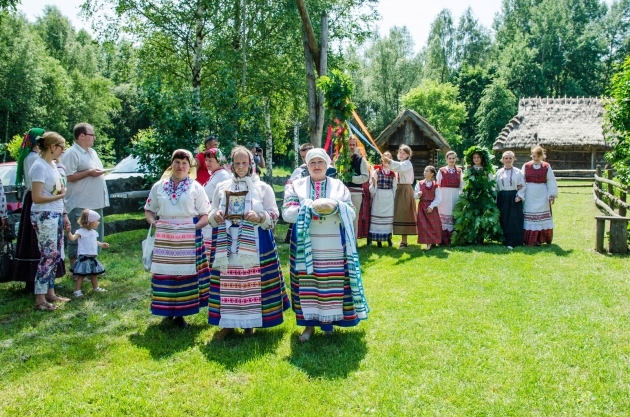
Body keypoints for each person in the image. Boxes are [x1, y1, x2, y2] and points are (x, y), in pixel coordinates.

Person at [282, 148, 369, 342]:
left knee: (332, 279)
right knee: (308, 281)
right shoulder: (296, 186)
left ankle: (329, 322)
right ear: (307, 165)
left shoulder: (339, 186)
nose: (316, 166)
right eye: (312, 162)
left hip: (332, 242)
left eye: (320, 162)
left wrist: (336, 207)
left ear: (328, 164)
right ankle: (309, 326)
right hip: (306, 241)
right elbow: (287, 213)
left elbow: (352, 211)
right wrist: (308, 208)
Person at [207, 146, 290, 339]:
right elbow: (210, 213)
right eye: (237, 163)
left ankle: (250, 324)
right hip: (227, 243)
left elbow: (274, 214)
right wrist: (216, 215)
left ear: (251, 163)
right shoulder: (222, 187)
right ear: (232, 165)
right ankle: (228, 324)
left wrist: (260, 217)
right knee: (230, 281)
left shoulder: (262, 188)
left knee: (250, 281)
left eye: (245, 162)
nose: (241, 166)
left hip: (255, 241)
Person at [144, 149, 211, 328]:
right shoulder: (159, 186)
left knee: (185, 275)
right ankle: (166, 310)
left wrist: (194, 227)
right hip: (165, 235)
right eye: (177, 162)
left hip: (188, 236)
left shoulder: (196, 187)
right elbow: (149, 209)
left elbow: (206, 214)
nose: (180, 166)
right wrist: (154, 223)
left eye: (184, 163)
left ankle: (181, 313)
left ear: (189, 166)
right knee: (165, 273)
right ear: (171, 163)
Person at [30, 132, 71, 311]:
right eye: (62, 147)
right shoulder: (39, 166)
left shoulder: (53, 164)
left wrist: (63, 213)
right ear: (52, 147)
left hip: (56, 213)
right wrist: (61, 195)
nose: (63, 150)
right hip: (44, 214)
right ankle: (40, 298)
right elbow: (37, 197)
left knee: (56, 254)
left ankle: (50, 292)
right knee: (48, 255)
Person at [61, 122, 109, 270]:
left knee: (93, 236)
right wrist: (89, 173)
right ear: (82, 136)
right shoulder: (72, 153)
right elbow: (67, 176)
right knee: (79, 237)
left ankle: (90, 268)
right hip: (79, 203)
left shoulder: (92, 152)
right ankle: (76, 271)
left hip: (95, 202)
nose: (94, 138)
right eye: (92, 135)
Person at [14, 128, 45, 291]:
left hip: (30, 197)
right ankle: (33, 279)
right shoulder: (34, 158)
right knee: (34, 237)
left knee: (31, 236)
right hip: (35, 197)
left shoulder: (28, 157)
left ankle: (31, 279)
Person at [452, 146, 502, 245]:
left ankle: (480, 237)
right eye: (474, 158)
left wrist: (492, 194)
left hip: (483, 196)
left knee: (482, 215)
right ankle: (472, 236)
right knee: (471, 215)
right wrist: (463, 194)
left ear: (482, 158)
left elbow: (491, 182)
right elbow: (464, 182)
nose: (476, 159)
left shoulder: (486, 170)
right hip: (471, 195)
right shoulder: (469, 169)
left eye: (478, 157)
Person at [201, 147, 231, 302]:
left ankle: (213, 290)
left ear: (219, 160)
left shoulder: (223, 176)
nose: (207, 163)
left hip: (215, 219)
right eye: (206, 160)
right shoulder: (214, 175)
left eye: (210, 160)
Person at [65, 209, 110, 297]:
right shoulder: (81, 232)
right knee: (81, 275)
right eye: (96, 221)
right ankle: (77, 291)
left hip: (93, 257)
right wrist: (68, 232)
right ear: (90, 222)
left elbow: (94, 242)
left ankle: (95, 287)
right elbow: (72, 238)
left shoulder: (94, 233)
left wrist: (101, 244)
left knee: (94, 274)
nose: (98, 222)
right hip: (84, 257)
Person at [522, 145, 558, 245]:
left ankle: (541, 239)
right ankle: (529, 240)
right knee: (530, 214)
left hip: (542, 193)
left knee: (542, 216)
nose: (535, 158)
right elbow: (522, 180)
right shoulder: (526, 166)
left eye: (537, 156)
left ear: (542, 156)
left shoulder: (546, 166)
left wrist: (552, 195)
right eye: (533, 156)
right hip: (530, 194)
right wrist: (521, 194)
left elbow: (551, 181)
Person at [382, 145, 417, 249]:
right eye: (400, 153)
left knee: (404, 214)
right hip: (399, 189)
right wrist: (386, 161)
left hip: (405, 189)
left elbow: (399, 167)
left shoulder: (407, 163)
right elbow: (393, 167)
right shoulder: (401, 163)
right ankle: (398, 239)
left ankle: (404, 241)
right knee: (399, 213)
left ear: (408, 155)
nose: (401, 155)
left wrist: (389, 161)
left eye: (404, 153)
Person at [496, 151, 526, 249]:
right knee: (503, 217)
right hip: (502, 197)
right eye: (506, 158)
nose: (508, 160)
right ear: (502, 160)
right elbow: (495, 186)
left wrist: (519, 196)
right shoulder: (499, 172)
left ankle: (514, 241)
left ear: (513, 159)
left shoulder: (518, 172)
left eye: (510, 158)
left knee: (513, 219)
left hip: (514, 197)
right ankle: (504, 239)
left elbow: (523, 186)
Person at [340, 136, 369, 238]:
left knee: (354, 217)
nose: (351, 147)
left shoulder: (360, 160)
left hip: (356, 192)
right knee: (342, 217)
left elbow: (366, 177)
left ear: (356, 146)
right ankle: (343, 242)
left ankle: (353, 242)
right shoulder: (340, 159)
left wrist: (351, 178)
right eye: (350, 144)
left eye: (353, 145)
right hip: (342, 193)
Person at [368, 151, 397, 247]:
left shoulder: (393, 174)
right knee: (378, 217)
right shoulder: (377, 171)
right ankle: (378, 240)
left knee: (388, 220)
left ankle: (388, 238)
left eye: (388, 158)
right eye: (384, 157)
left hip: (388, 198)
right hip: (379, 196)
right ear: (382, 159)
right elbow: (372, 187)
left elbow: (394, 187)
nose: (385, 160)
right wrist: (374, 182)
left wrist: (393, 198)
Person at [436, 151, 463, 246]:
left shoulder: (459, 171)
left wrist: (461, 196)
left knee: (453, 214)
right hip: (444, 195)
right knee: (443, 214)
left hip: (455, 195)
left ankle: (453, 239)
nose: (451, 160)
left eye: (453, 158)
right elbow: (437, 184)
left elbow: (462, 185)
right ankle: (442, 239)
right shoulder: (441, 170)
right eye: (449, 158)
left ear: (456, 159)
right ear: (446, 159)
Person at [415, 166, 442, 250]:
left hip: (432, 207)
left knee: (433, 225)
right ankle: (428, 243)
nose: (424, 172)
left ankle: (434, 242)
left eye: (427, 171)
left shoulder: (436, 185)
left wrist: (431, 206)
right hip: (422, 207)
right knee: (424, 225)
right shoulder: (420, 184)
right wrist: (418, 194)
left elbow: (439, 198)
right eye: (424, 171)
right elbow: (414, 195)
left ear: (432, 174)